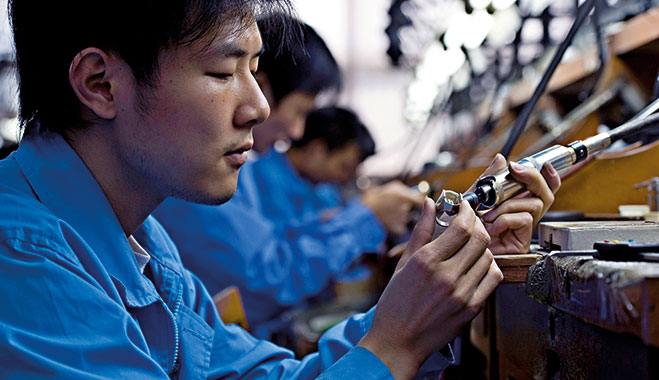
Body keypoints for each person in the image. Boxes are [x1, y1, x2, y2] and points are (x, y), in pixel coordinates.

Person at [0, 2, 561, 380]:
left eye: (256, 70)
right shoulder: (21, 258)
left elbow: (263, 376)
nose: (260, 108)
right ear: (101, 84)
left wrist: (431, 289)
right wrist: (392, 348)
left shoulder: (142, 247)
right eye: (224, 73)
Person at [153, 16, 426, 335]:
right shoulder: (198, 172)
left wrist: (342, 220)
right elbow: (269, 279)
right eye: (223, 75)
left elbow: (270, 242)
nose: (296, 131)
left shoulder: (243, 170)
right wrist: (365, 218)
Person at [252, 106, 376, 229]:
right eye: (344, 167)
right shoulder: (260, 180)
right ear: (316, 151)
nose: (344, 177)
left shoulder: (325, 192)